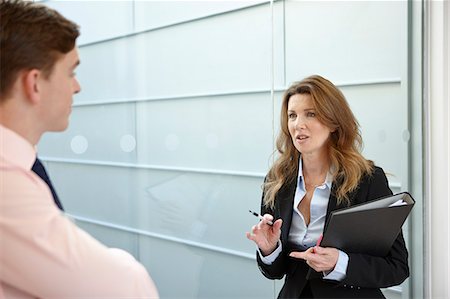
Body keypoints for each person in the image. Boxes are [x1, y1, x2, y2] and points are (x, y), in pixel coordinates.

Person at [0, 1, 159, 298]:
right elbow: (126, 288)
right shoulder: (6, 183)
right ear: (34, 83)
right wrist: (109, 261)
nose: (77, 87)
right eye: (70, 72)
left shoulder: (21, 166)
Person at [246, 75, 409, 298]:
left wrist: (339, 263)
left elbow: (397, 267)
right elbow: (276, 271)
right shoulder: (277, 181)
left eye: (310, 114)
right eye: (292, 115)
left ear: (333, 122)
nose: (298, 124)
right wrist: (269, 250)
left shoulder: (367, 180)